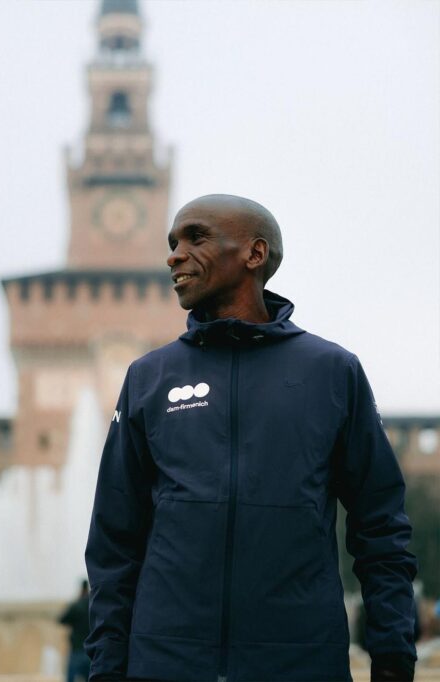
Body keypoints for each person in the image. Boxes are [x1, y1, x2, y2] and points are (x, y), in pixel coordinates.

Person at [84, 195, 417, 681]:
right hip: (166, 666)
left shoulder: (331, 372)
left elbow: (381, 527)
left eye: (195, 237)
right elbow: (114, 541)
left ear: (254, 255)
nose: (174, 255)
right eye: (172, 242)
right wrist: (107, 667)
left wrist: (392, 657)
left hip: (300, 665)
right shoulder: (148, 378)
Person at [59, 580, 92, 682]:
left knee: (71, 679)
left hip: (77, 650)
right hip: (91, 651)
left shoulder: (76, 605)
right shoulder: (93, 605)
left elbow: (62, 619)